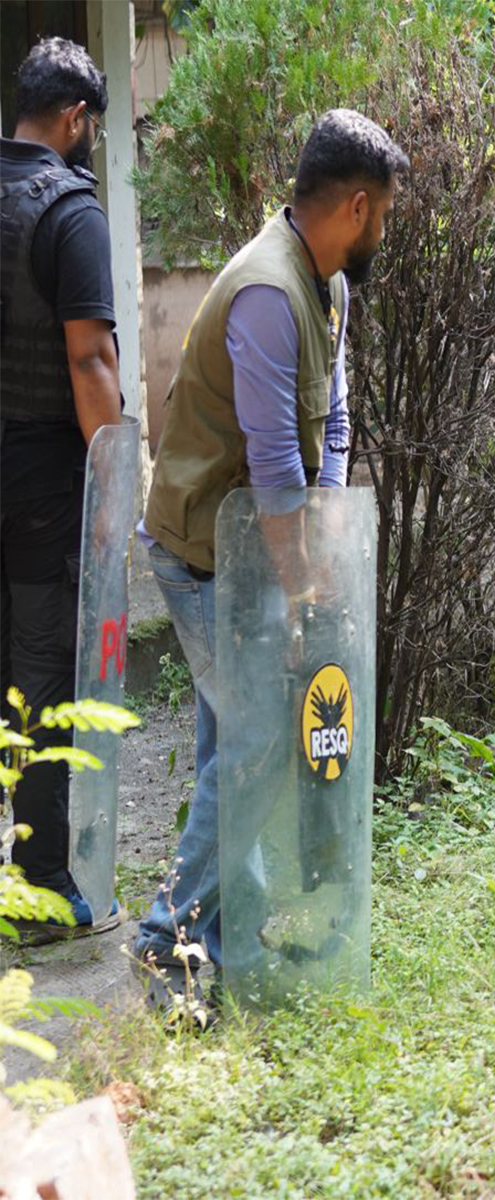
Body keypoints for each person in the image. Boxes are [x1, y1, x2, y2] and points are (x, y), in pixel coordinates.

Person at [129, 109, 407, 1018]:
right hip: (201, 554)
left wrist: (325, 526)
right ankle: (162, 938)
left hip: (254, 549)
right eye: (385, 216)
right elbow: (273, 465)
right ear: (357, 207)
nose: (384, 233)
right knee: (254, 749)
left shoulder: (328, 286)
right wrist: (301, 584)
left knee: (230, 743)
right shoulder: (266, 292)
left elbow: (328, 425)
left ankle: (214, 935)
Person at [1, 38, 124, 938]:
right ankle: (40, 885)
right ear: (76, 118)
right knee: (43, 674)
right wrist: (115, 488)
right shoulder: (70, 212)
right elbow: (88, 359)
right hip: (42, 484)